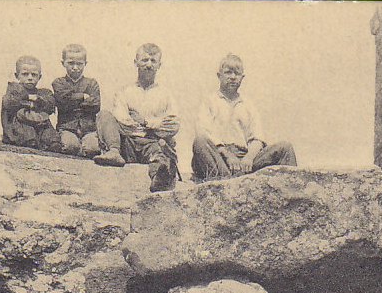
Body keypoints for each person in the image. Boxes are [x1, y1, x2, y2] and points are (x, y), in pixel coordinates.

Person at [191, 53, 297, 183]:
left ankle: (292, 191)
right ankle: (226, 183)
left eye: (237, 73)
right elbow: (203, 131)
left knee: (285, 147)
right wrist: (227, 155)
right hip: (219, 158)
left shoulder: (248, 105)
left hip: (244, 161)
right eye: (228, 72)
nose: (232, 77)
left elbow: (257, 138)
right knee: (200, 142)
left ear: (242, 77)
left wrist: (249, 158)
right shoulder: (209, 102)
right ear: (219, 76)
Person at [93, 43, 180, 192]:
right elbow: (122, 120)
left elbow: (173, 125)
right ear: (136, 62)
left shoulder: (166, 95)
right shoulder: (125, 91)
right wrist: (153, 127)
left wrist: (146, 122)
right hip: (128, 143)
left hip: (151, 144)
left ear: (159, 65)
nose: (148, 65)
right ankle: (113, 152)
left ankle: (159, 178)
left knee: (160, 153)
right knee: (104, 115)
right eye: (144, 60)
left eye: (153, 61)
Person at [0, 55, 62, 151]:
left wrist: (38, 100)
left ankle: (50, 142)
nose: (30, 78)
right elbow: (9, 102)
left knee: (52, 138)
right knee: (28, 136)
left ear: (39, 77)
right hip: (19, 124)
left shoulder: (43, 93)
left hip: (39, 124)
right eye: (25, 74)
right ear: (17, 76)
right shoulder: (14, 90)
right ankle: (31, 141)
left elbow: (50, 106)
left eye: (34, 75)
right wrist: (28, 99)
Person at [52, 44, 101, 158]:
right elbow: (63, 102)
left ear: (85, 64)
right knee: (70, 146)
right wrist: (83, 97)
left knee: (92, 149)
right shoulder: (59, 83)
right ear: (63, 63)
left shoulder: (92, 83)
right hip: (67, 127)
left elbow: (95, 105)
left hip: (88, 129)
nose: (75, 67)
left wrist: (72, 100)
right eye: (71, 63)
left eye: (79, 64)